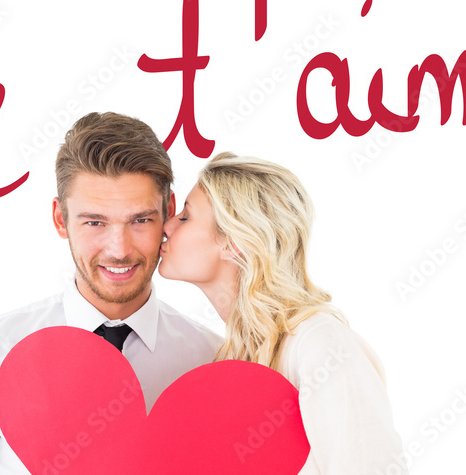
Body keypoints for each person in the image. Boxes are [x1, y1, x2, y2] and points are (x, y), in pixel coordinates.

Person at [0, 112, 221, 474]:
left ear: (168, 212)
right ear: (60, 219)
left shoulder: (214, 362)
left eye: (140, 220)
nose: (119, 249)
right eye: (95, 222)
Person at [159, 152, 407, 474]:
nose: (166, 225)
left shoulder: (321, 345)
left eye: (186, 217)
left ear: (234, 243)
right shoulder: (234, 357)